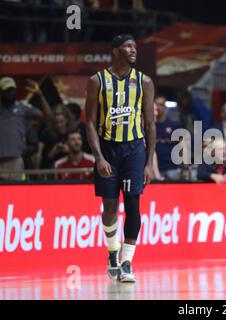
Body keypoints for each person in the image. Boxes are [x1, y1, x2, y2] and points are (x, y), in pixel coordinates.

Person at [85, 34, 155, 283]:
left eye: (135, 46)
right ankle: (112, 252)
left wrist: (148, 162)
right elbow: (90, 123)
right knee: (111, 206)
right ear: (115, 51)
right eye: (128, 46)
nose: (133, 50)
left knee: (133, 203)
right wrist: (99, 157)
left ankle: (127, 262)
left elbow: (150, 125)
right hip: (108, 149)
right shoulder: (97, 81)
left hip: (134, 149)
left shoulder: (144, 81)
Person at [0, 77, 43, 180]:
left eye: (12, 90)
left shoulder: (22, 107)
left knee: (14, 191)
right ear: (1, 92)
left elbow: (46, 117)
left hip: (14, 159)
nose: (10, 93)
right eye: (7, 90)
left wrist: (39, 95)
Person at [154, 94, 182, 181]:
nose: (158, 107)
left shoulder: (174, 125)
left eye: (161, 105)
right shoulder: (148, 126)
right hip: (155, 168)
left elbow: (182, 145)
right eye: (156, 105)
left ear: (165, 107)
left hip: (172, 167)